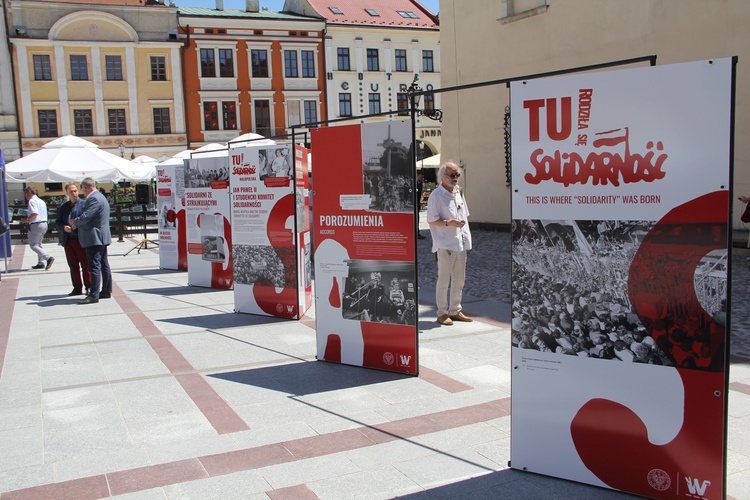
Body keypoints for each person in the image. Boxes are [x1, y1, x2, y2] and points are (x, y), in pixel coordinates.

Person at [426, 161, 472, 325]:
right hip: (445, 244)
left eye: (457, 174)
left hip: (460, 242)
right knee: (444, 280)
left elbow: (464, 214)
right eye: (452, 175)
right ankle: (442, 312)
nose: (455, 178)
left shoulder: (458, 192)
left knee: (459, 280)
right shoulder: (436, 195)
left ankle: (455, 310)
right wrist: (448, 223)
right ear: (442, 176)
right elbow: (431, 220)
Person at [70, 177, 112, 304]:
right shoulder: (101, 196)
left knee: (94, 266)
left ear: (86, 187)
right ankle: (105, 290)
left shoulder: (93, 198)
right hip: (101, 236)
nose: (82, 192)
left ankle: (94, 295)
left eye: (82, 189)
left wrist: (75, 222)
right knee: (104, 265)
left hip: (94, 237)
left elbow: (87, 216)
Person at [55, 182, 91, 296]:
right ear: (67, 193)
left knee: (85, 265)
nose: (74, 193)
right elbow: (58, 222)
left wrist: (77, 225)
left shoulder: (84, 204)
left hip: (80, 239)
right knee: (73, 265)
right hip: (68, 240)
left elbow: (87, 220)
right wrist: (63, 228)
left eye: (75, 191)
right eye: (71, 191)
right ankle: (77, 287)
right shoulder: (64, 207)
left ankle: (89, 286)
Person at [21, 186, 54, 270]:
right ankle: (40, 262)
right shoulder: (41, 201)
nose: (25, 195)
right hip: (44, 223)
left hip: (36, 224)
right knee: (38, 244)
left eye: (25, 193)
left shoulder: (32, 201)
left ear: (29, 192)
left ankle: (48, 257)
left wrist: (26, 220)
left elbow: (34, 214)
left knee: (33, 245)